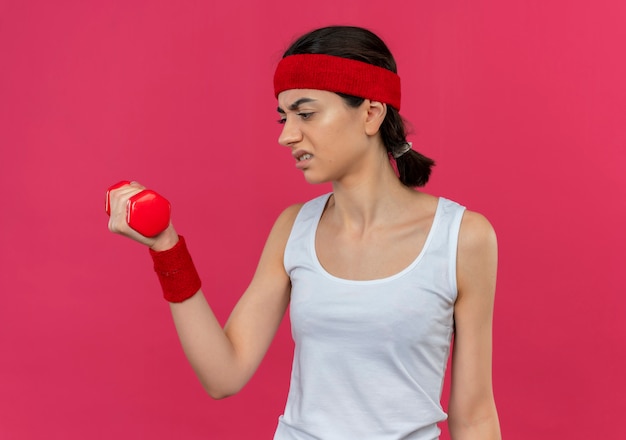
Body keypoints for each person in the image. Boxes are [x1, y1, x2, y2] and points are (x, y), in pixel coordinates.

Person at [107, 25, 501, 440]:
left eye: (306, 113)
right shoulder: (294, 228)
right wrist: (166, 247)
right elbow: (224, 375)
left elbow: (474, 416)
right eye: (284, 117)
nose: (286, 135)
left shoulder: (462, 237)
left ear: (371, 113)